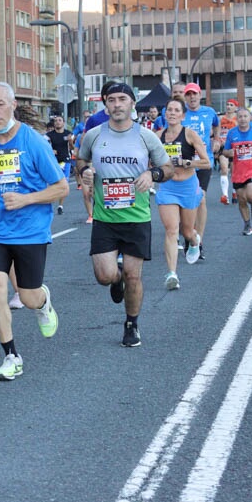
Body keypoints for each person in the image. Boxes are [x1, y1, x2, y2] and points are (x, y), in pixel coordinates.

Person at [0, 83, 66, 380]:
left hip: (30, 231)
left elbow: (61, 187)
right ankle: (11, 355)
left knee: (27, 297)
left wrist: (26, 198)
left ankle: (43, 301)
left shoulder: (33, 142)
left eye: (0, 104)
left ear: (12, 105)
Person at [76, 81, 173, 348]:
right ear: (105, 105)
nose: (117, 104)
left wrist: (151, 174)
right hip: (105, 219)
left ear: (132, 103)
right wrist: (84, 171)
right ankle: (115, 278)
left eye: (122, 99)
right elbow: (81, 160)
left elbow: (168, 168)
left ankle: (132, 324)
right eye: (112, 100)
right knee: (104, 276)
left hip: (136, 216)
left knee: (134, 275)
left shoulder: (145, 136)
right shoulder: (94, 135)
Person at [154, 98, 210, 290]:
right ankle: (172, 274)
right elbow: (149, 159)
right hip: (168, 187)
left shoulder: (190, 135)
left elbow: (207, 162)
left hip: (187, 186)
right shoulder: (158, 136)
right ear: (165, 113)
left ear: (182, 115)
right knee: (171, 230)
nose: (172, 113)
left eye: (176, 110)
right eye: (169, 109)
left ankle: (194, 241)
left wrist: (187, 163)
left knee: (186, 231)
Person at [180, 82, 219, 260]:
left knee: (201, 198)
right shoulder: (181, 114)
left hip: (203, 162)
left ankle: (199, 241)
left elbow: (216, 126)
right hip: (184, 163)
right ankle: (189, 233)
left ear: (200, 95)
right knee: (186, 202)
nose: (192, 97)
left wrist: (216, 139)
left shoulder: (209, 112)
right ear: (185, 97)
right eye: (188, 95)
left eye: (194, 94)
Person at [220, 108, 252, 236]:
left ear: (250, 118)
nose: (242, 119)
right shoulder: (232, 133)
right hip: (238, 170)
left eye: (245, 116)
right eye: (240, 117)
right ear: (237, 119)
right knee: (242, 200)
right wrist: (229, 153)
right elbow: (224, 151)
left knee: (251, 195)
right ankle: (247, 225)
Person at [44, 115, 73, 215]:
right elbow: (44, 146)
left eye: (60, 120)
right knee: (53, 183)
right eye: (55, 121)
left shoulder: (68, 134)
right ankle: (49, 202)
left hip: (66, 160)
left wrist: (70, 141)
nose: (57, 122)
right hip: (54, 161)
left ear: (63, 122)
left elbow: (72, 148)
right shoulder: (49, 135)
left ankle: (60, 205)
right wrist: (50, 150)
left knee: (64, 183)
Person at [217, 99, 239, 204]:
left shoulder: (238, 119)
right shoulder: (221, 118)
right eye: (227, 105)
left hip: (234, 148)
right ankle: (225, 195)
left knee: (234, 172)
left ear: (235, 107)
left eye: (231, 105)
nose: (229, 107)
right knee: (224, 169)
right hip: (223, 147)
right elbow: (217, 131)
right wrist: (218, 140)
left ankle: (234, 192)